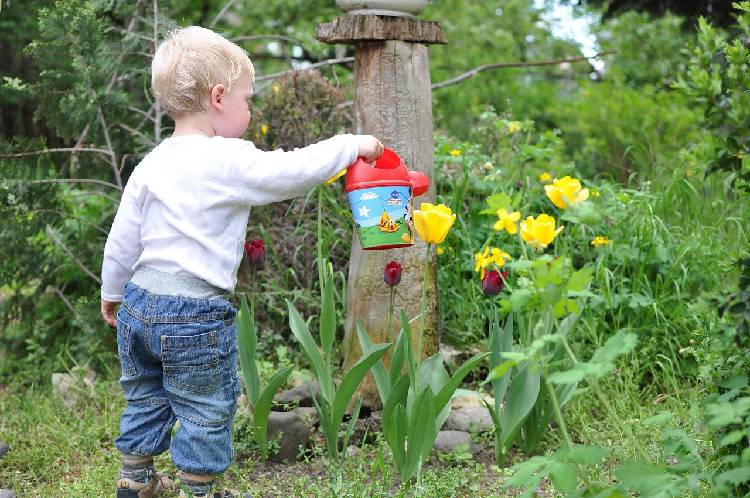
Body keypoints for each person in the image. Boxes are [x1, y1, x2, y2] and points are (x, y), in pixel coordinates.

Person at [100, 26, 383, 498]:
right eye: (247, 99)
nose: (250, 111)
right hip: (193, 313)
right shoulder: (227, 158)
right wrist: (351, 146)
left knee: (145, 395)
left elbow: (122, 240)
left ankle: (136, 477)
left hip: (140, 303)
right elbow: (291, 172)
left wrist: (113, 293)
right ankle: (199, 490)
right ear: (217, 98)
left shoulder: (151, 164)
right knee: (206, 406)